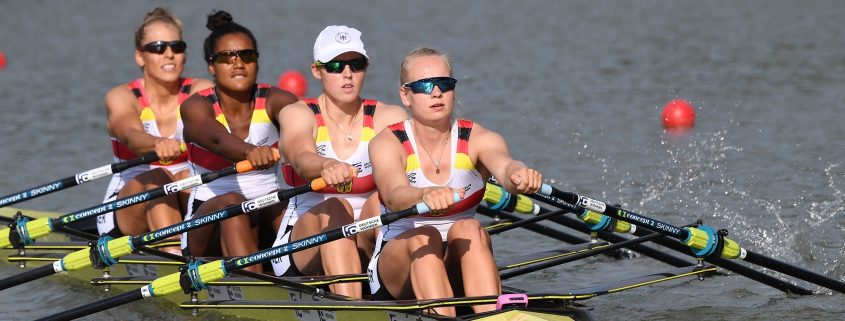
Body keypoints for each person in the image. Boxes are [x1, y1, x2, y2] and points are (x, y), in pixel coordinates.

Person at [367, 47, 543, 316]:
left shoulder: (478, 137)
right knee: (424, 236)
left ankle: (492, 317)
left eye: (445, 84)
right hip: (398, 266)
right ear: (406, 95)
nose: (436, 93)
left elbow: (506, 165)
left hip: (455, 261)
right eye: (425, 86)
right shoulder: (388, 142)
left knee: (470, 227)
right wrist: (424, 195)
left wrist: (519, 175)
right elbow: (394, 194)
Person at [270, 25, 407, 298]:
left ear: (365, 67)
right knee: (336, 206)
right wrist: (324, 166)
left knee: (380, 204)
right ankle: (353, 308)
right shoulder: (297, 113)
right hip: (303, 246)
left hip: (368, 237)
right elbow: (301, 157)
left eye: (355, 64)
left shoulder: (388, 116)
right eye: (335, 65)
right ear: (316, 70)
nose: (347, 74)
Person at [179, 10, 298, 273]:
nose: (238, 63)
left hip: (264, 212)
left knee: (284, 200)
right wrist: (250, 151)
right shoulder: (195, 107)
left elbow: (305, 126)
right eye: (226, 57)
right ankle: (256, 292)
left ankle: (319, 282)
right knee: (232, 202)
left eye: (247, 55)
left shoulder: (279, 101)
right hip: (207, 226)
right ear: (212, 66)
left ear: (256, 62)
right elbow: (217, 139)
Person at [97, 8, 213, 255]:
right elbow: (130, 135)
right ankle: (173, 257)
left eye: (176, 46)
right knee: (159, 177)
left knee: (186, 177)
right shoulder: (122, 97)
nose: (169, 54)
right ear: (140, 57)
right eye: (158, 47)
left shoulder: (201, 90)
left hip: (184, 191)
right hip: (127, 207)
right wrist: (157, 143)